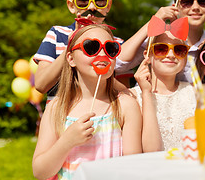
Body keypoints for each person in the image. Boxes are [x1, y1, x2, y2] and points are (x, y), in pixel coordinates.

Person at [32, 25, 142, 180]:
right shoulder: (56, 109)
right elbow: (40, 172)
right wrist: (66, 142)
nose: (103, 54)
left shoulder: (126, 106)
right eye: (91, 47)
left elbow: (133, 168)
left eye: (110, 49)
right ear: (70, 58)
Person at [33, 0, 131, 104]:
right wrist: (72, 44)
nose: (91, 7)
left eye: (99, 1)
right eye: (83, 1)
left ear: (108, 5)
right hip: (59, 120)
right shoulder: (57, 34)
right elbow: (40, 84)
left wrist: (100, 69)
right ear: (71, 6)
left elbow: (126, 94)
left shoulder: (117, 44)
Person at [116, 0, 205, 83]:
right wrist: (154, 21)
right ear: (175, 8)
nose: (195, 7)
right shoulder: (159, 40)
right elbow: (118, 64)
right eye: (187, 2)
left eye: (202, 2)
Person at [129, 18, 196, 152]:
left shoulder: (195, 92)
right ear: (147, 55)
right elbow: (150, 152)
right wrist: (147, 93)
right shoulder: (132, 98)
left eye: (179, 49)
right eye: (161, 49)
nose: (171, 55)